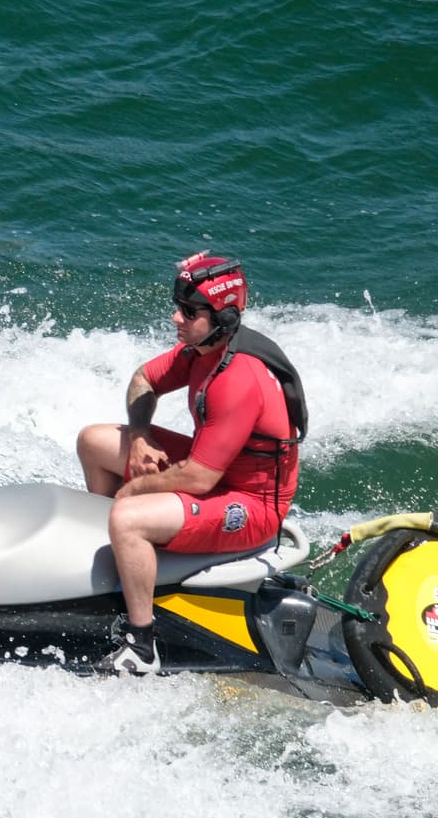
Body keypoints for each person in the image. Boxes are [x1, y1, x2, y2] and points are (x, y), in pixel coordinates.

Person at [76, 252, 305, 673]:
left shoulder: (238, 378)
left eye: (189, 311)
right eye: (178, 307)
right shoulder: (204, 349)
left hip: (250, 505)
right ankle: (127, 564)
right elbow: (144, 379)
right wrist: (141, 435)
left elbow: (199, 478)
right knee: (94, 442)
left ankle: (141, 646)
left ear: (224, 317)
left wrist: (134, 489)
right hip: (216, 472)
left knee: (127, 515)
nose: (175, 318)